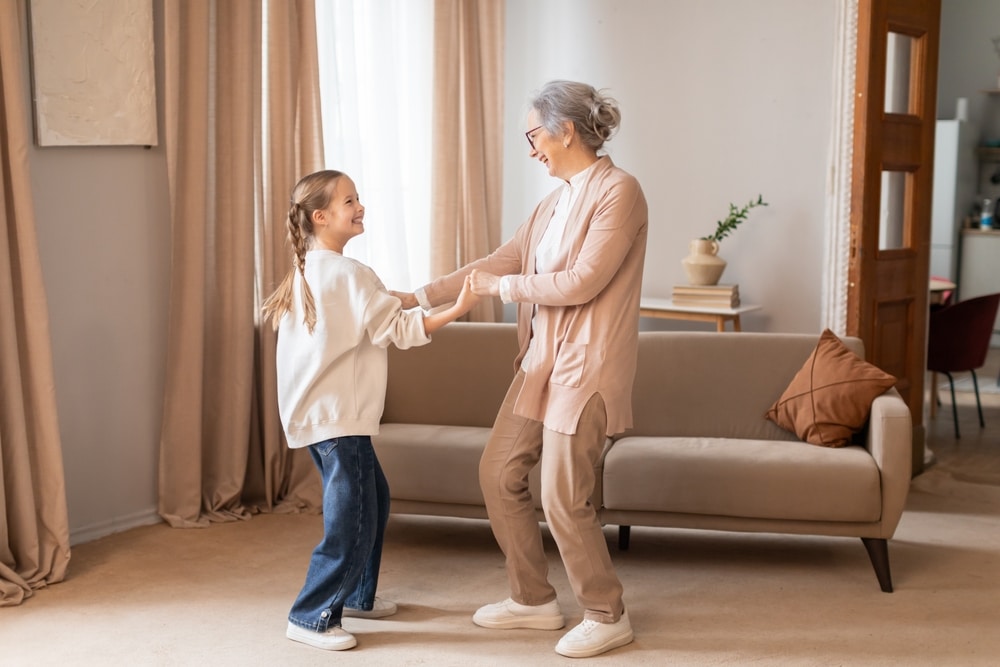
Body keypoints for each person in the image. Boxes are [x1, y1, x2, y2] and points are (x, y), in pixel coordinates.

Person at [397, 80, 648, 659]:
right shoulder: (553, 201)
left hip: (586, 366)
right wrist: (415, 297)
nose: (530, 148)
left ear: (563, 130)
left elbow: (583, 279)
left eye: (533, 135)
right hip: (540, 361)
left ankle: (607, 613)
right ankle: (533, 600)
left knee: (563, 495)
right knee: (498, 471)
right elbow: (500, 260)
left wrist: (501, 288)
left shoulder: (620, 191)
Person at [262, 169, 480, 651]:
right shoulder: (350, 274)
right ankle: (310, 615)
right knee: (353, 519)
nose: (359, 207)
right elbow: (399, 330)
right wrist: (457, 307)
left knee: (373, 498)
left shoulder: (306, 273)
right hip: (339, 418)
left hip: (315, 416)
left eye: (357, 198)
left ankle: (358, 595)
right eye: (348, 201)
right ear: (320, 217)